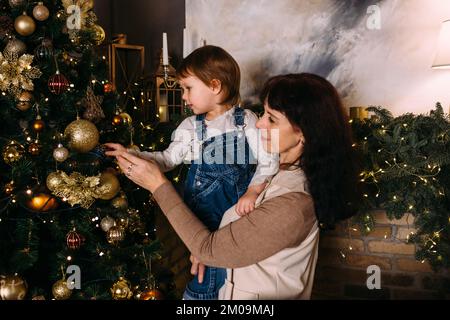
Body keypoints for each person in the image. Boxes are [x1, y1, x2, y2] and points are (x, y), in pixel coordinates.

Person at [108, 73, 360, 299]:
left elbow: (209, 248)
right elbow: (232, 238)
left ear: (304, 132)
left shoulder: (293, 203)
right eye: (263, 113)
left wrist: (158, 185)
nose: (260, 123)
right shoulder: (274, 172)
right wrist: (214, 253)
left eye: (272, 119)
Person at [105, 45, 278, 300]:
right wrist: (133, 154)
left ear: (215, 86)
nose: (183, 96)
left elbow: (269, 160)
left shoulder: (247, 121)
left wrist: (253, 190)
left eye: (188, 88)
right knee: (205, 278)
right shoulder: (190, 127)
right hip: (198, 220)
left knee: (225, 278)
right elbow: (167, 159)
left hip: (233, 221)